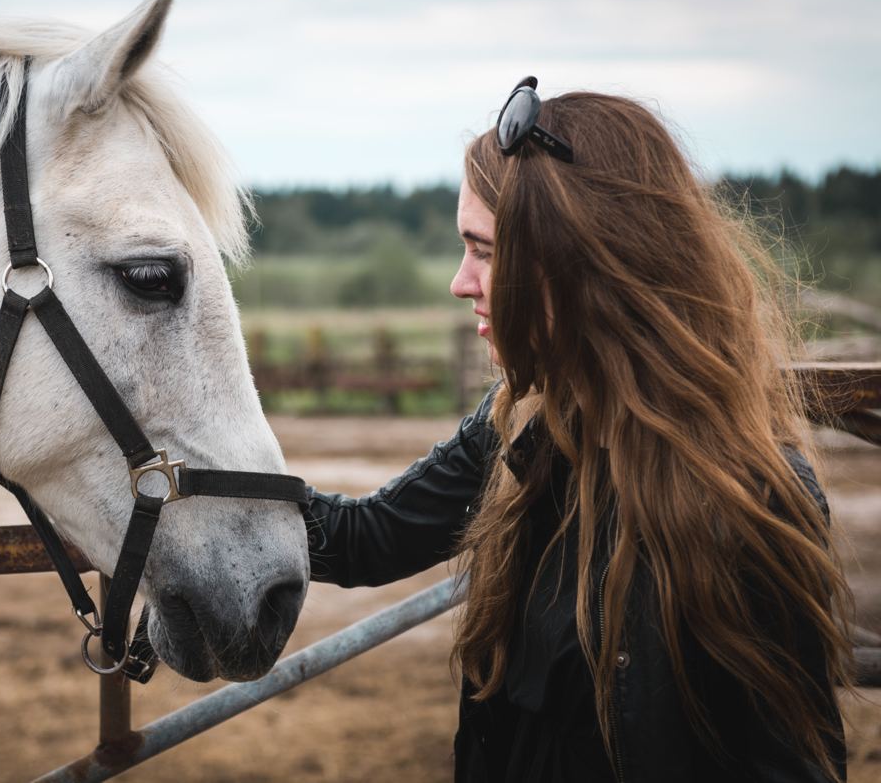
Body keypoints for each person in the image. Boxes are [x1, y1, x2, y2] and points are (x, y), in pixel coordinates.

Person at [304, 78, 852, 782]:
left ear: (578, 261)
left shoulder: (744, 503)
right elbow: (365, 537)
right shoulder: (523, 426)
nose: (459, 281)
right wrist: (194, 488)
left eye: (485, 251)